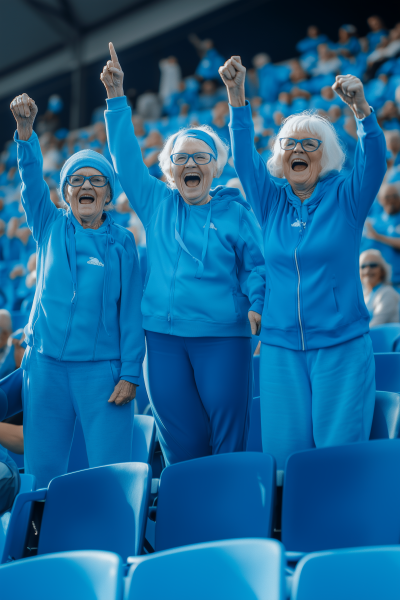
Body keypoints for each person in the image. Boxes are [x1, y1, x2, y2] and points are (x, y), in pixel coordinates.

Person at [101, 43, 265, 466]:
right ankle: (190, 521)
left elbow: (256, 266)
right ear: (170, 172)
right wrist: (117, 98)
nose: (190, 163)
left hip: (223, 336)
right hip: (164, 340)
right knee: (181, 441)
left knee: (229, 438)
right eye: (181, 158)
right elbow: (124, 162)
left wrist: (259, 304)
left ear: (215, 166)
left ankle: (232, 518)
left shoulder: (235, 212)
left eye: (200, 156)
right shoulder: (157, 203)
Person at [219, 56, 386, 469]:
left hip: (341, 345)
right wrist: (237, 96)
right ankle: (293, 533)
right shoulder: (271, 200)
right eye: (290, 143)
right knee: (285, 462)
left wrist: (362, 111)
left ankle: (343, 535)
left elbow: (375, 162)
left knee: (337, 460)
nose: (298, 150)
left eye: (310, 144)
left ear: (325, 154)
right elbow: (243, 159)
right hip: (279, 349)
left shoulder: (346, 196)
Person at [10, 92, 145, 488]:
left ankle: (111, 545)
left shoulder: (123, 243)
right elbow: (31, 181)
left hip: (103, 373)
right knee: (41, 475)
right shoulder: (49, 224)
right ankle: (41, 547)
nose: (86, 185)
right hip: (45, 368)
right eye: (77, 180)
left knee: (109, 475)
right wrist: (25, 132)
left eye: (96, 180)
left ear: (107, 194)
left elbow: (131, 312)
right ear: (66, 192)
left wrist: (130, 372)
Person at [364, 182, 400, 287]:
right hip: (378, 282)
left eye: (395, 196)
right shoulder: (373, 221)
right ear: (380, 200)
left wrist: (378, 237)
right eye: (387, 197)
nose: (391, 200)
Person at [360, 249, 400, 327]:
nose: (367, 270)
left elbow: (374, 327)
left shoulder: (387, 293)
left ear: (382, 271)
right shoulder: (364, 295)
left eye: (373, 265)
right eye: (363, 266)